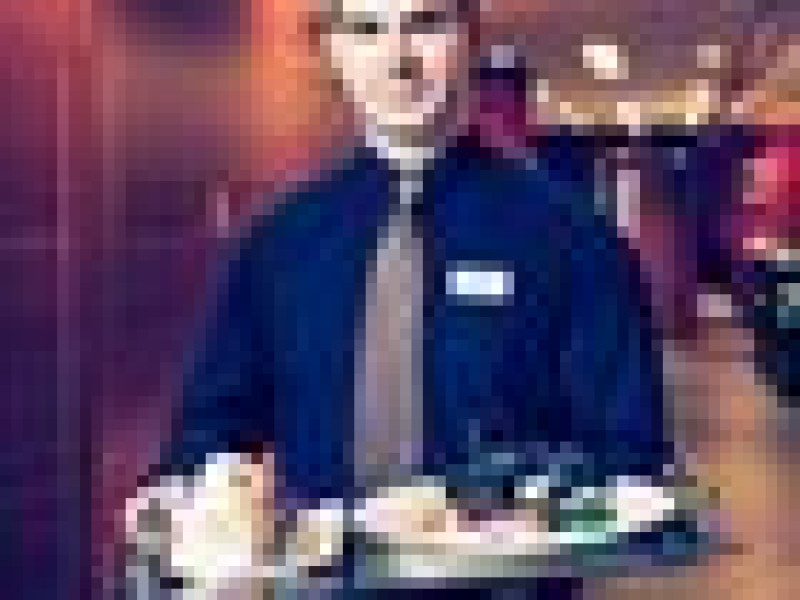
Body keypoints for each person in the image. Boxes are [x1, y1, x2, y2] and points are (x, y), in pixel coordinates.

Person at [124, 0, 703, 596]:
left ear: (472, 40)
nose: (397, 59)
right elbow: (207, 434)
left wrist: (499, 496)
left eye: (425, 23)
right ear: (334, 50)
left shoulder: (575, 243)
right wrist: (197, 504)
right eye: (367, 29)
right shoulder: (281, 244)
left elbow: (631, 458)